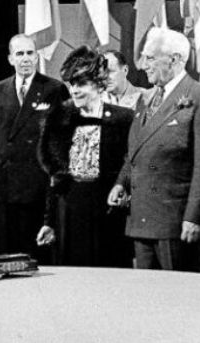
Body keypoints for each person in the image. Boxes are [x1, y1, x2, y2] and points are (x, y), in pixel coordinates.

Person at [108, 28, 200, 272]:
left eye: (150, 58)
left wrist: (194, 216)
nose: (143, 65)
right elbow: (135, 151)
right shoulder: (146, 99)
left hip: (175, 221)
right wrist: (121, 183)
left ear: (175, 59)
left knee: (178, 299)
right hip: (142, 219)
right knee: (148, 299)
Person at [37, 46, 133, 267]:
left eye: (81, 84)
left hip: (109, 215)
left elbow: (130, 167)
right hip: (70, 214)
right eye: (72, 85)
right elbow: (55, 178)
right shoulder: (60, 121)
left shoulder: (124, 119)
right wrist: (49, 223)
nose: (74, 91)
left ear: (99, 84)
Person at [0, 34, 67, 256]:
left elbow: (60, 139)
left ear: (37, 55)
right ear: (11, 59)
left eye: (30, 53)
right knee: (9, 250)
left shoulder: (54, 89)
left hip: (39, 183)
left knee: (37, 250)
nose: (25, 59)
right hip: (7, 182)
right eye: (19, 54)